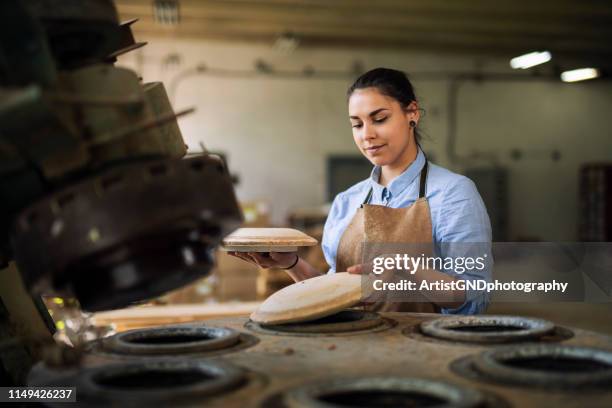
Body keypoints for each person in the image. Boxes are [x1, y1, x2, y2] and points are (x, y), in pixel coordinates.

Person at [230, 67, 492, 314]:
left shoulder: (452, 194)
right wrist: (292, 264)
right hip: (353, 352)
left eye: (379, 119)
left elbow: (473, 297)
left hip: (423, 352)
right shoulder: (347, 201)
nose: (367, 135)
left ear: (412, 113)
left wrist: (405, 267)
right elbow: (336, 294)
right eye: (357, 124)